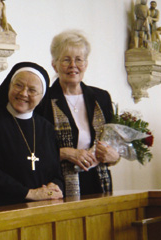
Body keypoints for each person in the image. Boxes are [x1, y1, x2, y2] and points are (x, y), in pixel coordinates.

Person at [39, 30, 120, 197]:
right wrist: (66, 153)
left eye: (79, 60)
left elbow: (114, 143)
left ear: (86, 63)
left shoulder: (101, 98)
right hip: (58, 184)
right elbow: (34, 149)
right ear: (54, 64)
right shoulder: (43, 99)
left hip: (99, 182)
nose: (73, 66)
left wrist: (114, 155)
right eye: (66, 60)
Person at [0, 62, 64, 207]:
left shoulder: (46, 128)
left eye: (32, 90)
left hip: (43, 207)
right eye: (18, 85)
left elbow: (56, 171)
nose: (23, 93)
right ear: (9, 86)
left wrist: (54, 187)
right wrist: (28, 193)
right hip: (2, 208)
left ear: (42, 96)